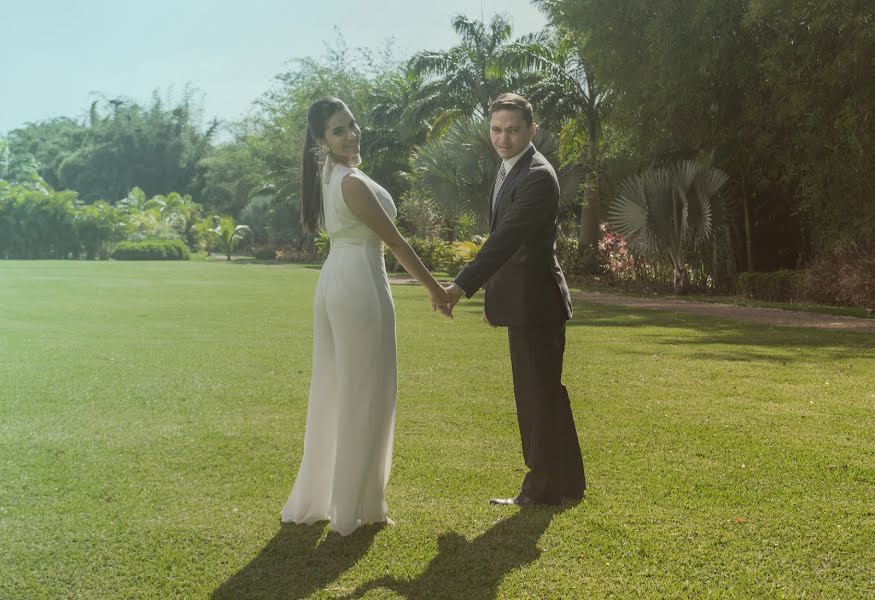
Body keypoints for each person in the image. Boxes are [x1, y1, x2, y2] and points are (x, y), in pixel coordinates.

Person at [281, 97, 451, 536]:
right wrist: (436, 290)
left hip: (338, 280)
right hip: (359, 284)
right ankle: (356, 508)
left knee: (341, 390)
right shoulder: (351, 182)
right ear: (322, 141)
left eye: (352, 125)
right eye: (339, 131)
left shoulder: (329, 175)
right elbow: (395, 242)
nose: (351, 134)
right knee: (366, 392)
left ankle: (348, 501)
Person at [444, 93, 585, 506]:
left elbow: (505, 241)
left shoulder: (537, 175)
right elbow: (509, 248)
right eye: (496, 129)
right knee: (543, 395)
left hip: (538, 305)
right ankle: (568, 486)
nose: (503, 138)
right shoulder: (511, 169)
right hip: (525, 303)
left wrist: (460, 286)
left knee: (538, 398)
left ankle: (542, 490)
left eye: (513, 130)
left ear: (532, 130)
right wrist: (496, 302)